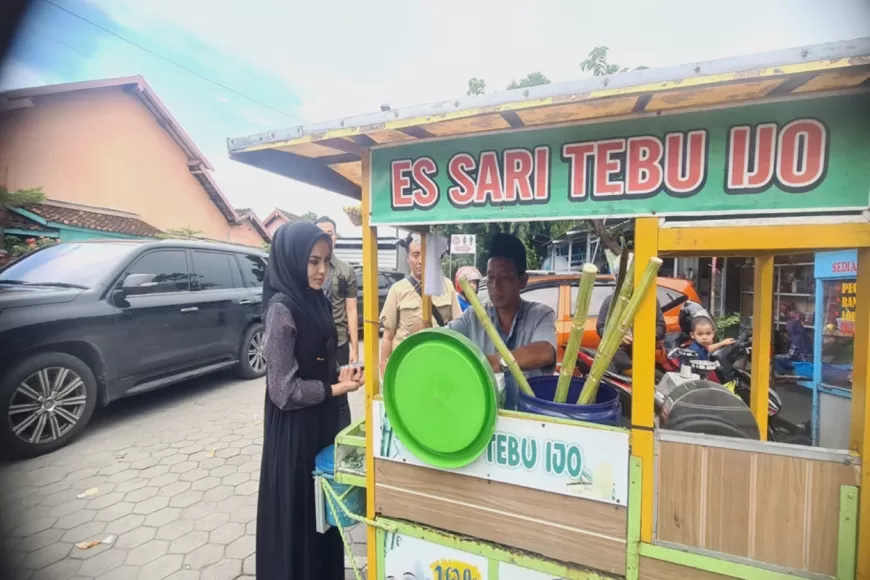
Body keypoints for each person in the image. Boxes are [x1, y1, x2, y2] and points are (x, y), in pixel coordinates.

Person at [257, 222, 365, 580]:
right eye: (313, 261)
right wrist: (335, 390)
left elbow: (319, 362)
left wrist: (339, 376)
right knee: (300, 512)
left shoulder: (316, 298)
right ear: (291, 260)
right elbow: (283, 391)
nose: (322, 270)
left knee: (322, 513)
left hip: (318, 423)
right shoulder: (281, 310)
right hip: (294, 431)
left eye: (326, 261)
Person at [447, 233, 557, 409]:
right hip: (487, 420)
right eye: (490, 277)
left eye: (505, 277)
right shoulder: (473, 316)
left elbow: (545, 352)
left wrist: (496, 362)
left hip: (529, 420)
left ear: (523, 280)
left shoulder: (540, 314)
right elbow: (444, 340)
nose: (495, 285)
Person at [380, 234, 460, 374]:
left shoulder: (447, 285)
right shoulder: (397, 290)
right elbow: (388, 335)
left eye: (426, 255)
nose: (421, 261)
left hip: (440, 360)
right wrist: (384, 368)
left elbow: (458, 327)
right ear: (407, 258)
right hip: (407, 363)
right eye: (415, 255)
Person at [316, 216, 358, 428]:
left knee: (342, 394)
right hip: (314, 343)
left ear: (336, 236)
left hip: (340, 342)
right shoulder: (309, 268)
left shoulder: (345, 271)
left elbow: (351, 309)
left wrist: (354, 348)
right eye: (321, 232)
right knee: (320, 392)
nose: (326, 237)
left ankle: (343, 442)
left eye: (330, 233)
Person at [596, 288, 666, 375]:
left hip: (644, 350)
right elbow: (600, 327)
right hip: (619, 353)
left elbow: (661, 325)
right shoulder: (610, 301)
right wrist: (617, 337)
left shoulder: (650, 301)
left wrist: (650, 335)